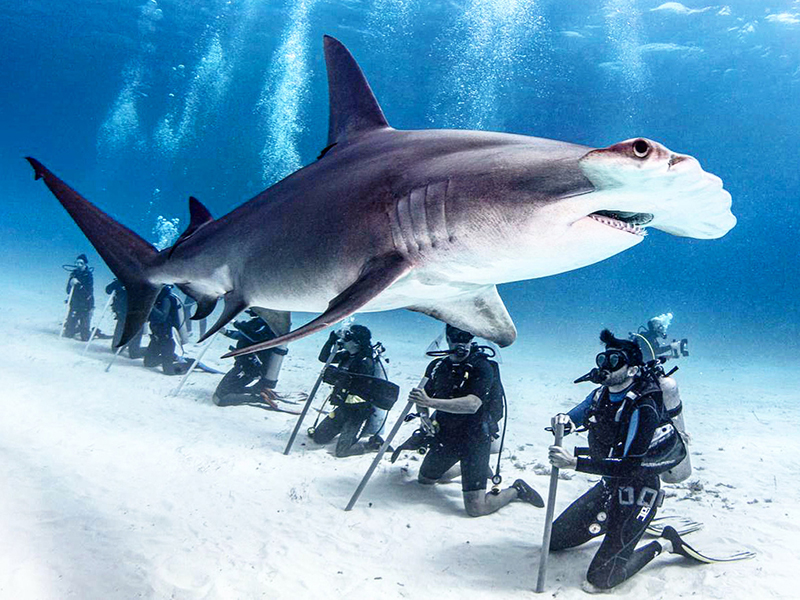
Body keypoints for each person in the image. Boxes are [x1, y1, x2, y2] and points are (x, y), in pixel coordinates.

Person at [547, 329, 689, 592]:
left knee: (600, 579)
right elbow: (576, 416)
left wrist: (574, 463)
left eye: (615, 361)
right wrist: (563, 422)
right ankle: (617, 526)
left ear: (633, 370)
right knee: (553, 540)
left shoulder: (644, 405)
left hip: (639, 493)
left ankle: (664, 543)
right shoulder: (601, 394)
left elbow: (629, 466)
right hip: (609, 486)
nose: (605, 367)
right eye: (603, 359)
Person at [409, 324, 543, 517]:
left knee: (476, 508)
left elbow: (472, 404)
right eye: (457, 337)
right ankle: (470, 469)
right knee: (426, 479)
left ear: (473, 339)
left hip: (475, 438)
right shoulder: (437, 366)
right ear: (447, 338)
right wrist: (424, 416)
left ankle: (517, 490)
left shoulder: (482, 367)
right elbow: (420, 396)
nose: (462, 343)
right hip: (446, 435)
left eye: (467, 337)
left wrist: (429, 402)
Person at [309, 324, 387, 457]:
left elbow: (359, 387)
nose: (343, 340)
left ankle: (372, 445)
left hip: (357, 411)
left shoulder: (365, 362)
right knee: (318, 437)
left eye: (347, 338)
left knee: (342, 451)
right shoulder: (347, 355)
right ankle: (342, 429)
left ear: (356, 343)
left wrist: (336, 377)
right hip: (343, 407)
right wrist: (331, 340)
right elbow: (324, 358)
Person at [212, 309, 288, 406]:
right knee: (227, 390)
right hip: (244, 364)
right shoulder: (259, 322)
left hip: (249, 367)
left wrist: (234, 322)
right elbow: (242, 335)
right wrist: (225, 331)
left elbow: (255, 337)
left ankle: (259, 399)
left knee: (220, 398)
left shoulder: (268, 325)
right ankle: (258, 390)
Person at [143, 285, 190, 375]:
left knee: (168, 371)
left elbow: (162, 317)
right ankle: (173, 357)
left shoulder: (166, 299)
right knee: (148, 363)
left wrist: (150, 306)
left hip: (167, 338)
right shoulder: (156, 298)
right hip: (156, 336)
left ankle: (190, 363)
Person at [105, 278, 145, 358]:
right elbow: (108, 290)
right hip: (122, 317)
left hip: (136, 318)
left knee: (134, 353)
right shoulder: (121, 281)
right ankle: (127, 343)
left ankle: (152, 350)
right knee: (116, 349)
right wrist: (117, 284)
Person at [63, 254, 94, 340]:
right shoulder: (73, 274)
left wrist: (78, 284)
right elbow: (68, 290)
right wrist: (71, 284)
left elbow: (87, 292)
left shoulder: (88, 276)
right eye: (77, 263)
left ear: (85, 264)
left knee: (85, 337)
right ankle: (74, 328)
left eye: (81, 263)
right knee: (68, 333)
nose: (78, 265)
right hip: (75, 303)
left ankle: (91, 331)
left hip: (86, 304)